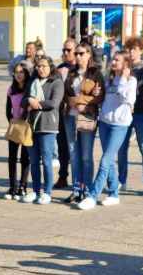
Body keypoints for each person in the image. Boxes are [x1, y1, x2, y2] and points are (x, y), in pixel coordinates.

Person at [78, 51, 136, 210]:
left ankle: (92, 195)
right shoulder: (109, 78)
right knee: (108, 162)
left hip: (120, 126)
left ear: (125, 64)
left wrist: (123, 79)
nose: (113, 61)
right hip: (104, 123)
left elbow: (127, 99)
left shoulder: (131, 80)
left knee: (105, 160)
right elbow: (104, 98)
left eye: (117, 60)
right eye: (113, 59)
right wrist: (98, 93)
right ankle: (113, 194)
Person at [116, 36, 143, 196]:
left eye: (134, 49)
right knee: (122, 147)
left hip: (140, 112)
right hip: (125, 112)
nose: (131, 52)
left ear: (140, 51)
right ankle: (122, 180)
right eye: (129, 49)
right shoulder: (124, 67)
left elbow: (139, 87)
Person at [23, 54, 62, 204]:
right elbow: (24, 100)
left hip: (48, 126)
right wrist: (29, 100)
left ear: (50, 67)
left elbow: (53, 103)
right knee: (33, 161)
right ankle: (35, 190)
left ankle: (47, 192)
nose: (40, 69)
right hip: (32, 126)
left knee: (46, 160)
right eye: (38, 66)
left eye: (44, 66)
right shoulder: (33, 82)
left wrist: (35, 103)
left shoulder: (56, 83)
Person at [67, 45, 103, 204]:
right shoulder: (71, 72)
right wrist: (72, 101)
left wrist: (85, 102)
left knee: (86, 156)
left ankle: (87, 189)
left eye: (81, 53)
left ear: (89, 55)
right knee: (74, 155)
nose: (78, 56)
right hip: (70, 117)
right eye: (76, 53)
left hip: (87, 117)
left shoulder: (96, 73)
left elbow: (101, 97)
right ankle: (76, 189)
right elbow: (65, 94)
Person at [4, 62, 31, 200]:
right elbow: (7, 109)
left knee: (25, 158)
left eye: (22, 72)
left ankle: (23, 186)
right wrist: (11, 122)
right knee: (12, 158)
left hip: (27, 126)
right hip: (15, 125)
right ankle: (12, 186)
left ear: (26, 73)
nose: (19, 74)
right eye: (16, 72)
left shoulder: (30, 88)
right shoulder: (11, 89)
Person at [55, 38, 79, 191]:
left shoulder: (81, 68)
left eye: (68, 50)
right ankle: (63, 176)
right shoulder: (60, 68)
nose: (65, 53)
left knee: (75, 148)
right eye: (63, 50)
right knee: (62, 146)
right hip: (61, 113)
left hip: (77, 114)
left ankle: (79, 180)